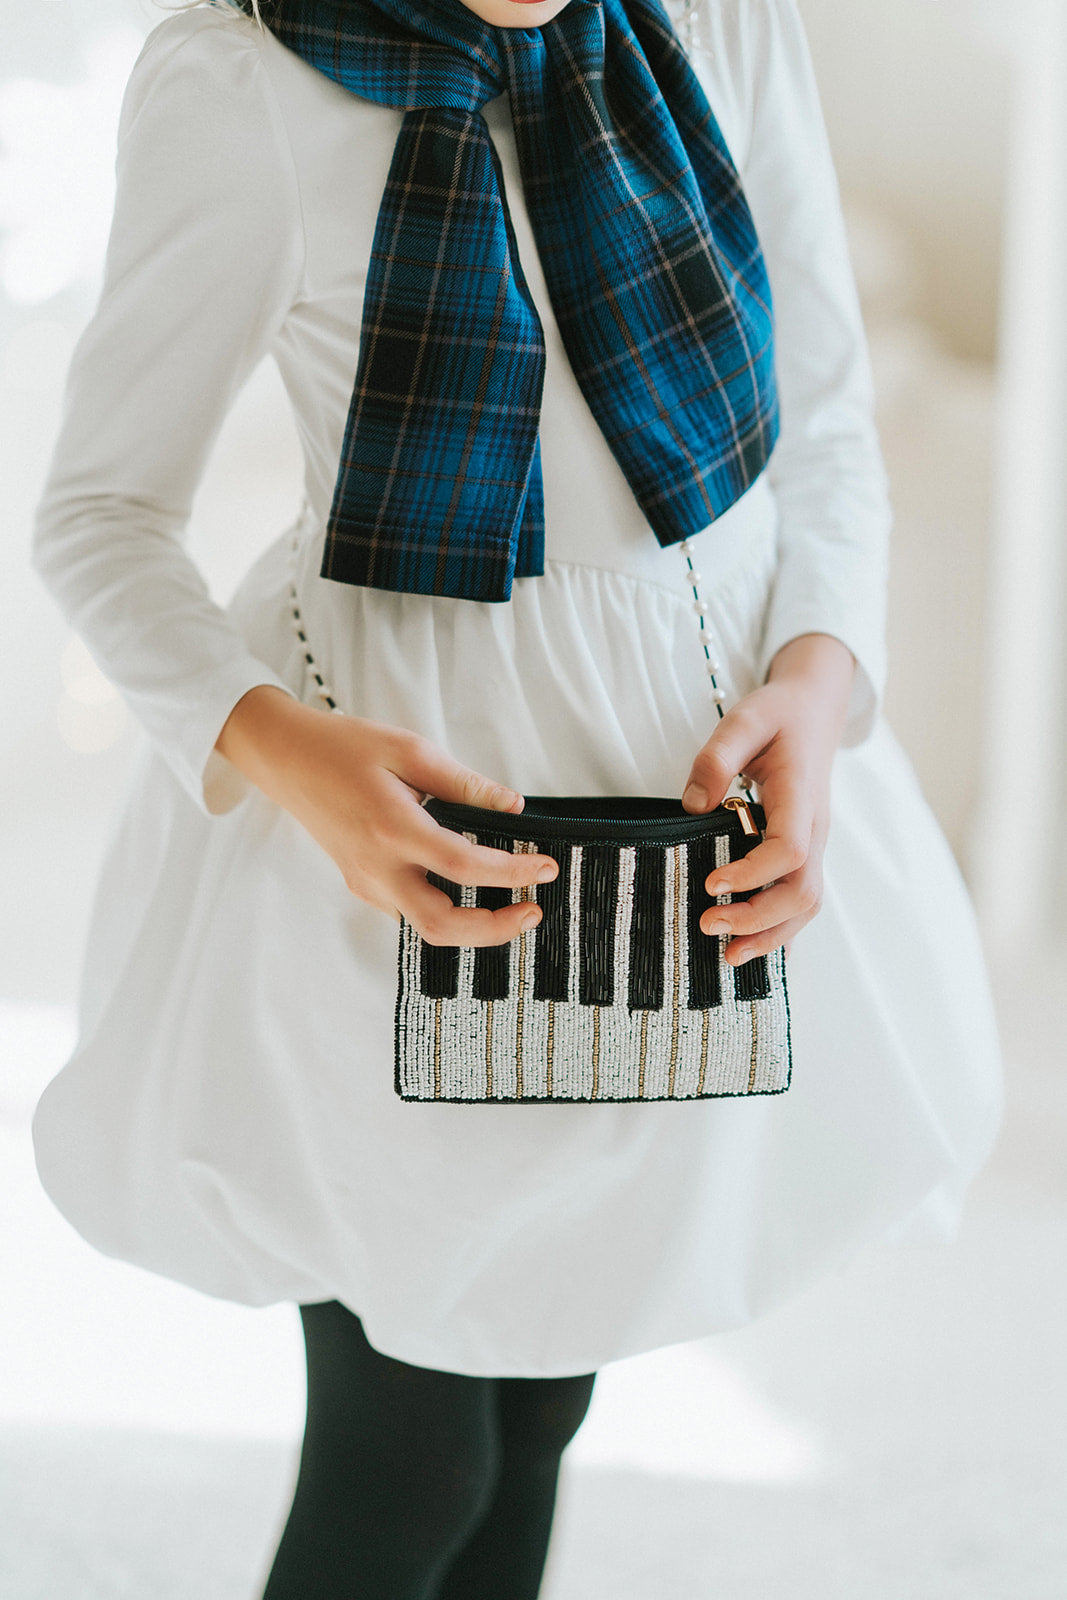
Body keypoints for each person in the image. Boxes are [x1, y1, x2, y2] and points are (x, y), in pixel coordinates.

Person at [30, 0, 1003, 1593]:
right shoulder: (245, 84)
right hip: (392, 860)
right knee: (410, 1458)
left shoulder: (722, 26)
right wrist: (287, 756)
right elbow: (98, 514)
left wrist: (823, 680)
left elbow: (822, 420)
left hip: (672, 847)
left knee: (546, 1404)